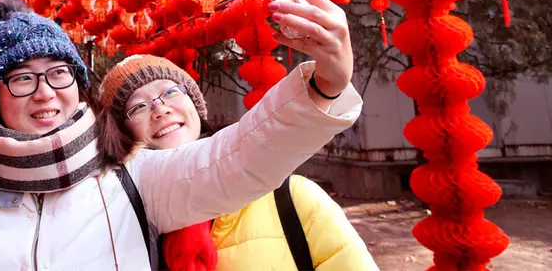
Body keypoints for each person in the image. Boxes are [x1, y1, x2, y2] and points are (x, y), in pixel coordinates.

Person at [0, 0, 363, 270]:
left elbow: (235, 159)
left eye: (59, 73)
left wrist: (323, 85)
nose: (45, 91)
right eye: (21, 78)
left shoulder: (134, 176)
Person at [99, 54, 378, 271]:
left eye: (170, 92)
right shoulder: (121, 223)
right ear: (121, 134)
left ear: (195, 103)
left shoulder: (293, 199)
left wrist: (325, 85)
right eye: (138, 107)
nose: (160, 109)